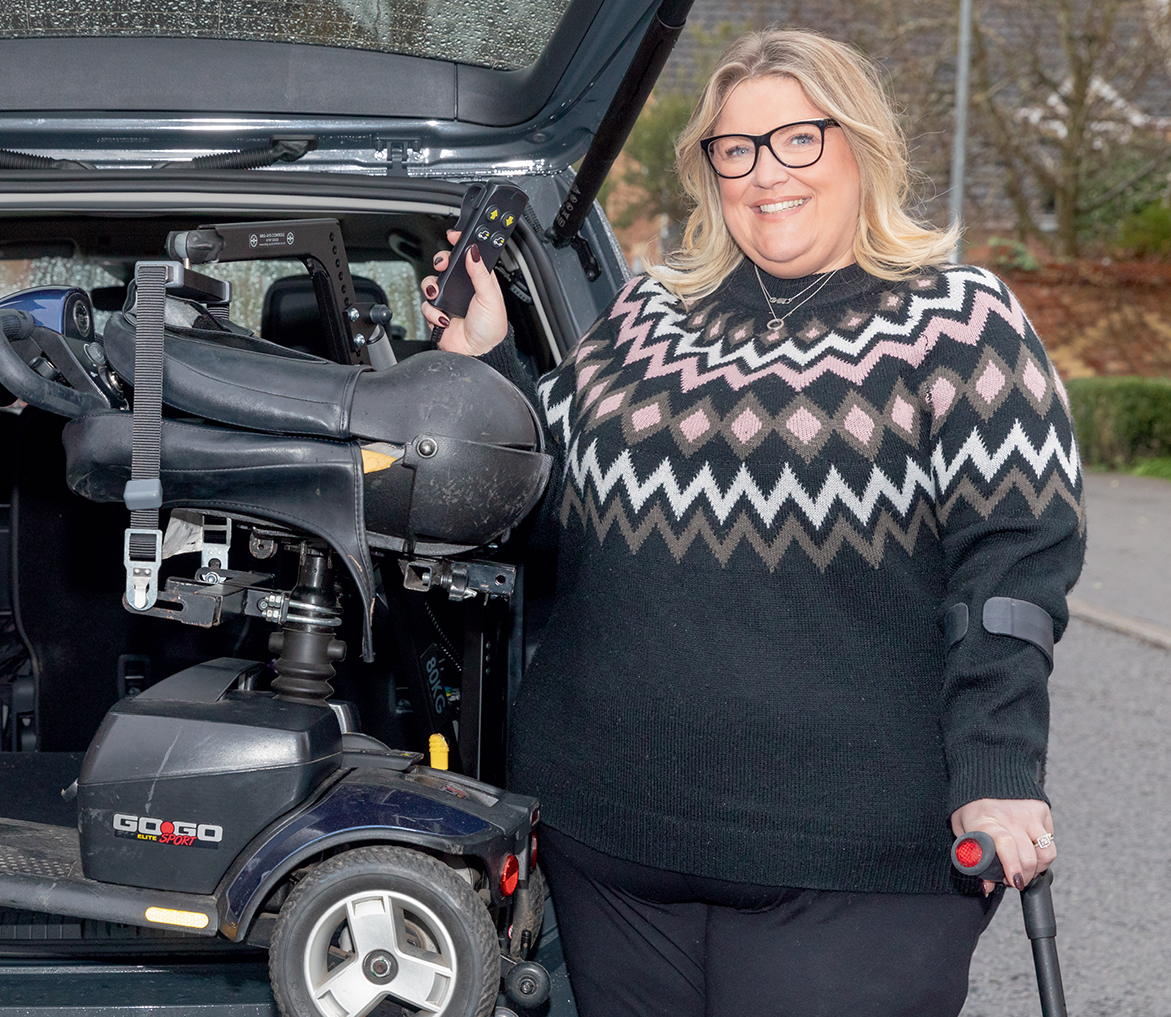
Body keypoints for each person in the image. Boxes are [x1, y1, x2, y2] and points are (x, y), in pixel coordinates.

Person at [420, 29, 1084, 1015]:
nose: (766, 172)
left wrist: (998, 771)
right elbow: (533, 499)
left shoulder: (957, 320)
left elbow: (1013, 571)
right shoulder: (647, 319)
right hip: (610, 843)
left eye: (797, 139)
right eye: (736, 149)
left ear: (860, 145)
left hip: (854, 859)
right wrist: (486, 364)